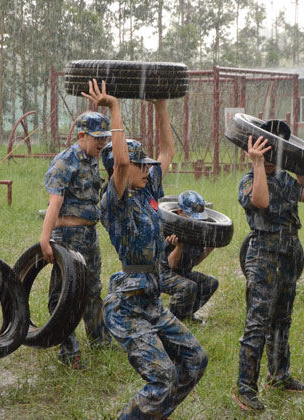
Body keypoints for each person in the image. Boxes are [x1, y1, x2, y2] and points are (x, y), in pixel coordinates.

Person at [87, 79, 207, 419]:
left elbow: (167, 151)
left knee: (195, 361)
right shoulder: (115, 200)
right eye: (141, 165)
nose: (147, 169)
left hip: (152, 300)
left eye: (145, 166)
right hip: (127, 306)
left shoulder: (147, 190)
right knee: (162, 377)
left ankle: (154, 414)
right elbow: (123, 163)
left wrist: (160, 105)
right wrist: (114, 108)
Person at [234, 124, 304, 412]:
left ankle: (279, 375)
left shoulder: (284, 179)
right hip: (263, 255)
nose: (269, 157)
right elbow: (261, 200)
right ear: (252, 151)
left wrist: (299, 164)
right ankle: (245, 388)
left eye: (272, 152)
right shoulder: (248, 181)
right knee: (257, 323)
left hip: (289, 254)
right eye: (263, 150)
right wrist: (258, 164)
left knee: (282, 319)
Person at [39, 111, 112, 369]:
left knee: (92, 290)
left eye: (105, 137)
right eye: (97, 138)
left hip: (89, 236)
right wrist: (45, 240)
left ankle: (100, 340)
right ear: (82, 135)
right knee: (63, 296)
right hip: (68, 238)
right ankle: (70, 352)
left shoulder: (93, 160)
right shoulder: (64, 162)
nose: (102, 143)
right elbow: (54, 204)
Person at [158, 190, 218, 324]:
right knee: (188, 286)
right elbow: (171, 265)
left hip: (184, 272)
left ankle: (186, 315)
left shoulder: (196, 230)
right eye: (191, 215)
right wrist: (179, 247)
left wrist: (208, 250)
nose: (195, 219)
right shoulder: (169, 229)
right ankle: (173, 322)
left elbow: (194, 262)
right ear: (180, 212)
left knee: (210, 283)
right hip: (161, 273)